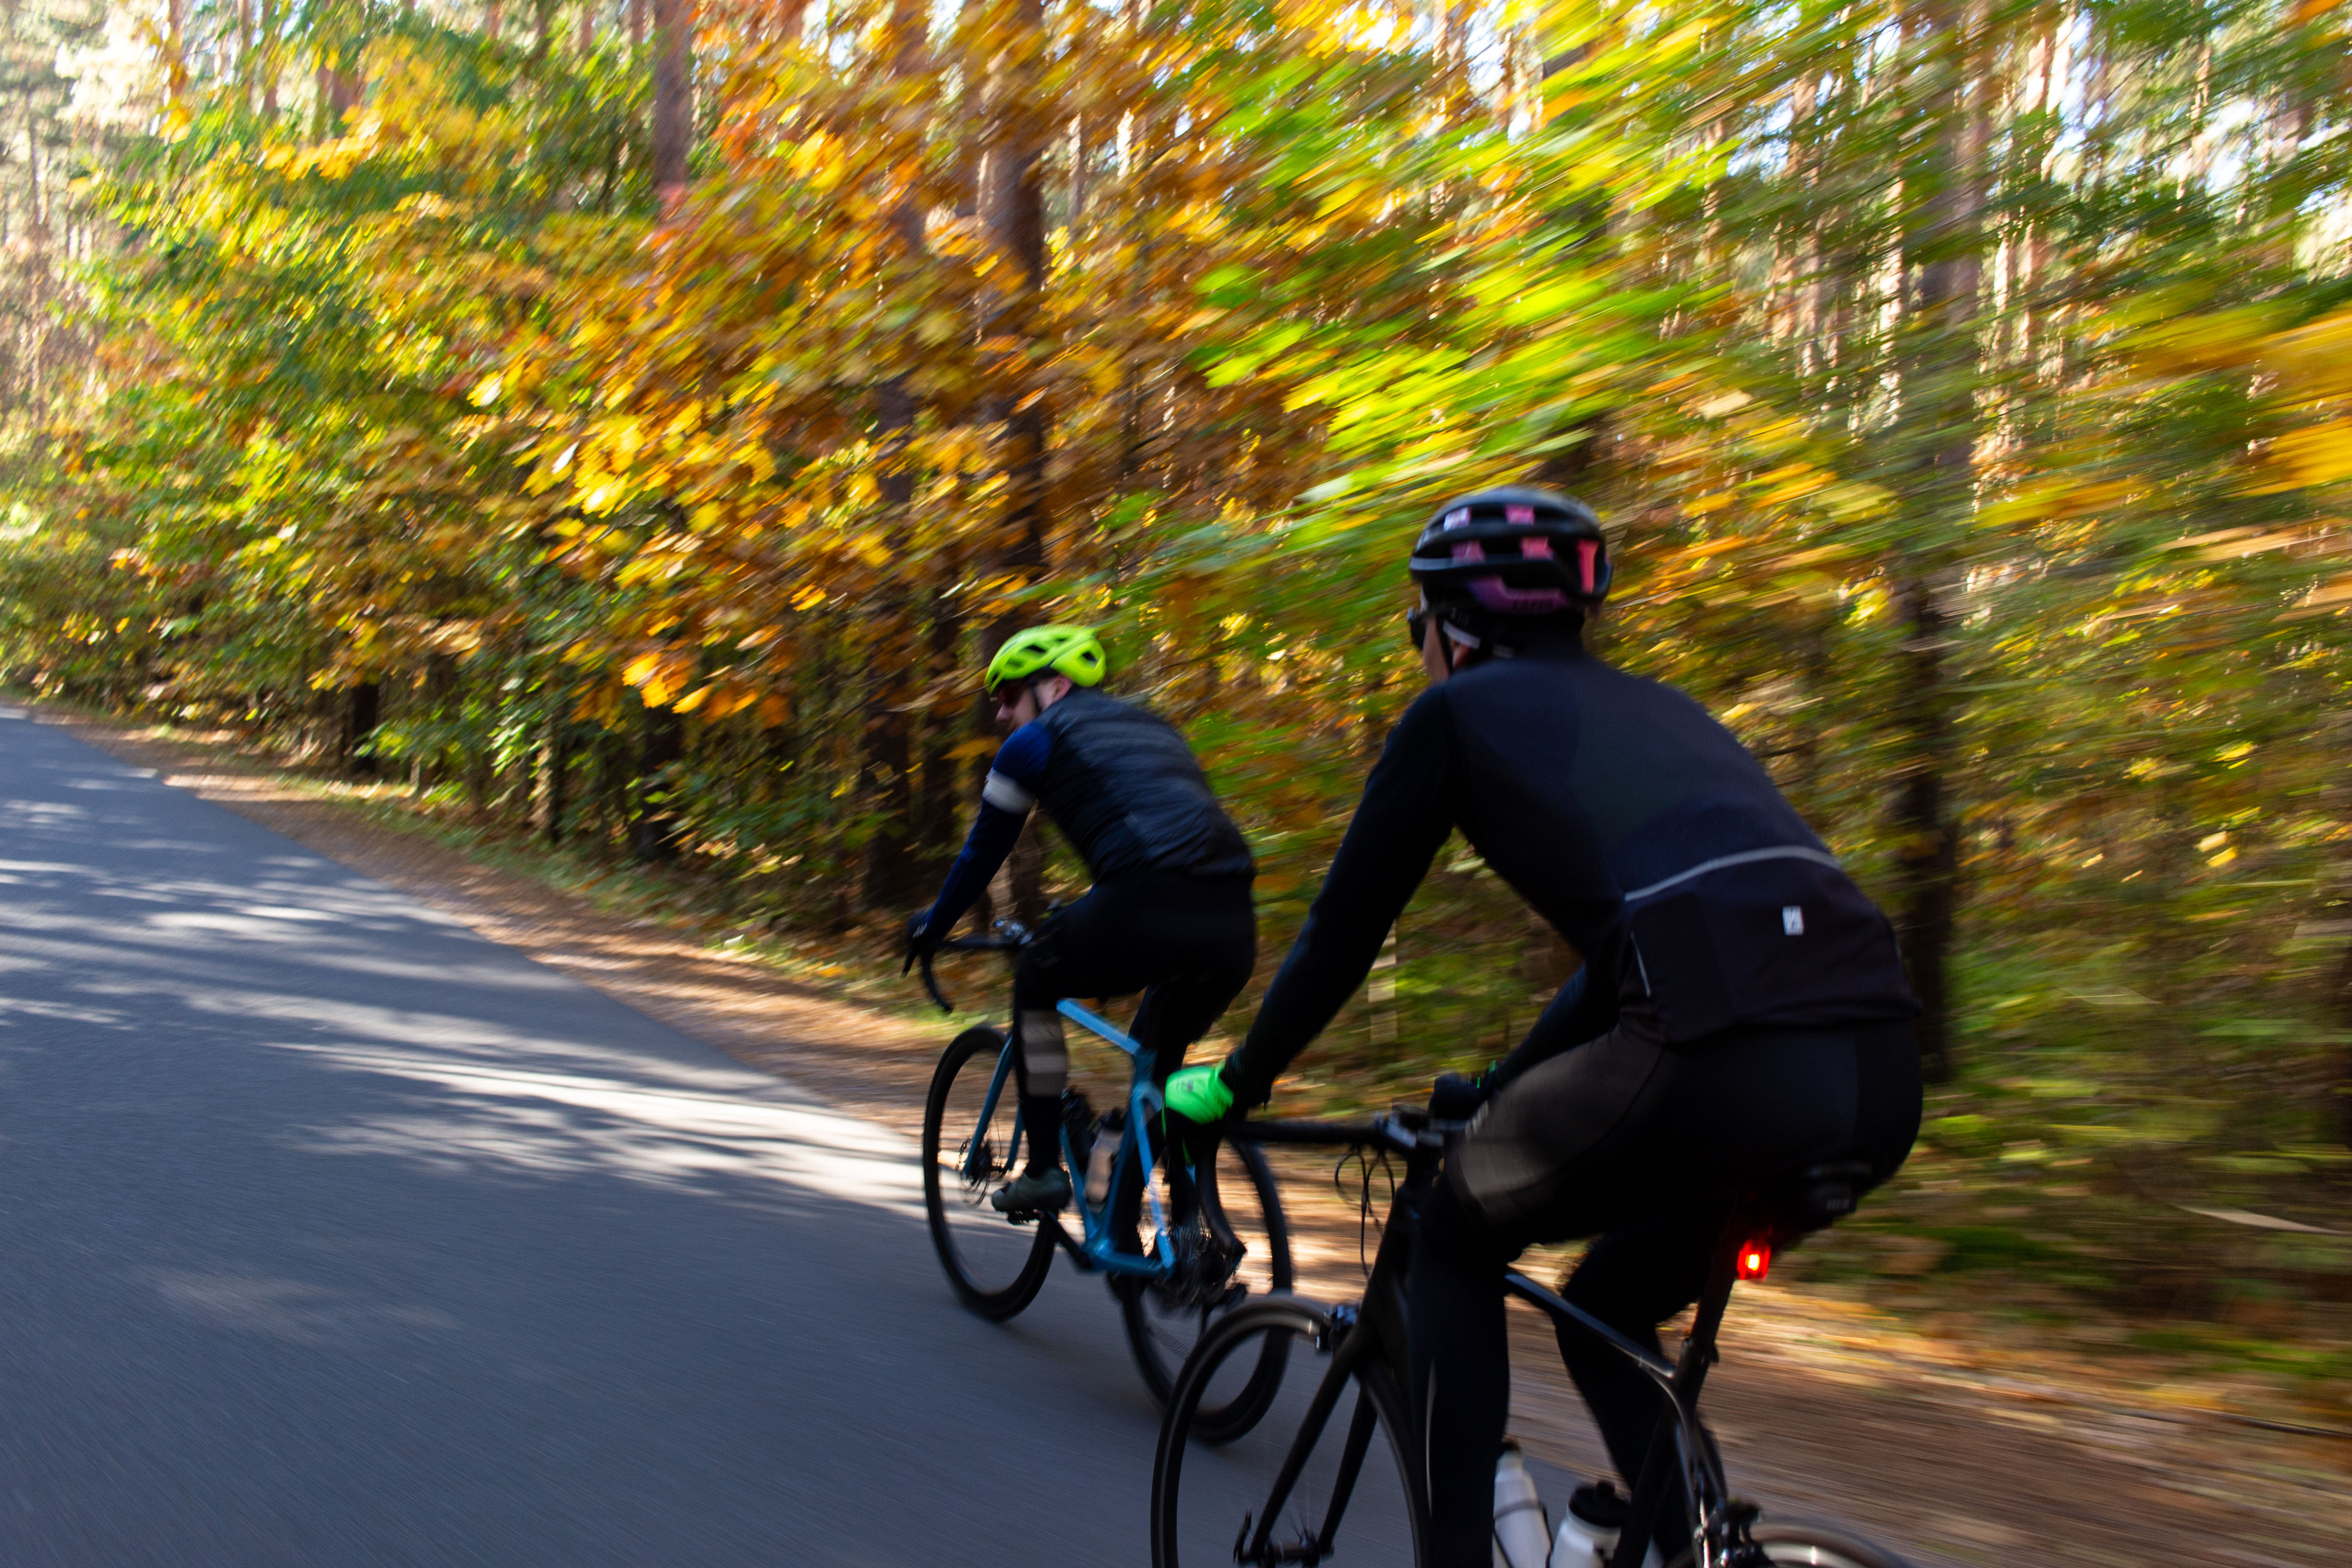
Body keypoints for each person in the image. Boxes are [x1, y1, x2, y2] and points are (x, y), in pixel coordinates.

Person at [1164, 488, 1921, 1568]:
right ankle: (1695, 1550)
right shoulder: (1669, 713)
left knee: (1452, 1234)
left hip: (1717, 1058)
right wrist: (1505, 1085)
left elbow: (1342, 935)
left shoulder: (1456, 717)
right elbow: (1638, 958)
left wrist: (1240, 1081)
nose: (1419, 650)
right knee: (1608, 1305)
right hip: (1879, 1075)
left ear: (1455, 629)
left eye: (1416, 627)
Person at [905, 624, 1257, 1215]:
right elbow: (1163, 829)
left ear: (1056, 687)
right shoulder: (1157, 729)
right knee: (1156, 1057)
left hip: (1145, 902)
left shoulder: (1034, 741)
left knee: (1036, 978)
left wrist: (934, 926)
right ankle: (1169, 1217)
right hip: (1234, 921)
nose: (1001, 713)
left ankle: (1044, 1169)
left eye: (1008, 695)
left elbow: (983, 852)